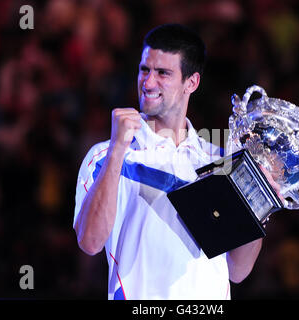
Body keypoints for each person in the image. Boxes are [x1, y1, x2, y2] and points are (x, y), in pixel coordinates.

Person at [73, 24, 263, 300]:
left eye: (163, 73)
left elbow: (238, 270)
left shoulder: (220, 161)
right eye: (144, 70)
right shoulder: (106, 156)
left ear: (192, 82)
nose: (148, 83)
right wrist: (117, 149)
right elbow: (90, 242)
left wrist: (258, 203)